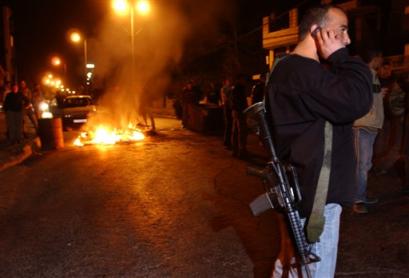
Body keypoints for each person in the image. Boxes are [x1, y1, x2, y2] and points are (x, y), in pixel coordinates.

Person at [265, 5, 372, 277]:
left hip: (307, 188)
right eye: (342, 30)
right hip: (316, 198)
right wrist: (342, 59)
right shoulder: (302, 73)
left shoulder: (292, 70)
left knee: (293, 264)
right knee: (315, 269)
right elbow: (357, 99)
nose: (347, 40)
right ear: (316, 31)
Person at [352, 51, 386, 214]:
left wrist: (380, 95)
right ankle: (357, 200)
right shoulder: (365, 74)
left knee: (365, 164)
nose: (382, 61)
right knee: (362, 165)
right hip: (363, 125)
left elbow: (371, 96)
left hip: (370, 125)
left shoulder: (372, 75)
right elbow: (359, 96)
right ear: (375, 58)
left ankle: (361, 195)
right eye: (381, 58)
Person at [231, 74, 248, 158]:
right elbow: (240, 101)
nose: (244, 81)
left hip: (235, 111)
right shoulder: (239, 88)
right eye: (243, 79)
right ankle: (241, 150)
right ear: (239, 79)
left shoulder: (234, 88)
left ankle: (235, 149)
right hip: (239, 111)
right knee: (241, 131)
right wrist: (244, 110)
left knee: (236, 131)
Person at [220, 78, 233, 148]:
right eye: (228, 81)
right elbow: (226, 98)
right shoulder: (224, 89)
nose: (230, 82)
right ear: (225, 82)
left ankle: (227, 141)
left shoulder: (230, 88)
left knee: (230, 124)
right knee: (228, 124)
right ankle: (227, 141)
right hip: (227, 107)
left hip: (229, 107)